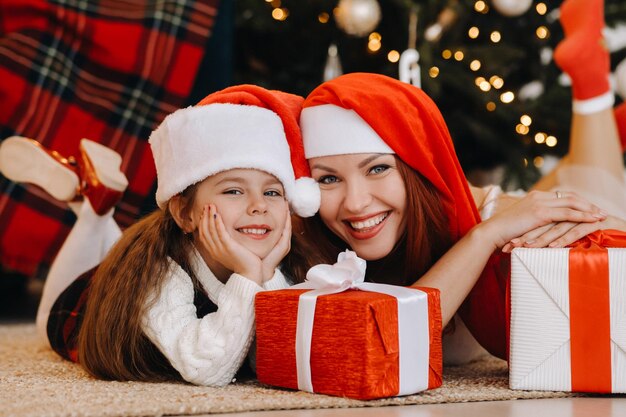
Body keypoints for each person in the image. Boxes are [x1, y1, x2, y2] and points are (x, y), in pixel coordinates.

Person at [294, 0, 626, 362]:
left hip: (525, 209)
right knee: (593, 172)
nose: (355, 203)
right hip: (499, 212)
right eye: (327, 179)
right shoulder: (307, 242)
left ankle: (591, 86)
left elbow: (393, 339)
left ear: (418, 169)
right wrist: (482, 238)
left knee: (596, 188)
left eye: (377, 169)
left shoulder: (514, 239)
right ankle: (606, 115)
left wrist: (485, 235)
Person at [0, 85, 321, 385]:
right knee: (46, 323)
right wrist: (251, 274)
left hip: (136, 274)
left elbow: (282, 353)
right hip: (79, 305)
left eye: (273, 193)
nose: (258, 206)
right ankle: (93, 212)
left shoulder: (285, 264)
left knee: (117, 250)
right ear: (184, 212)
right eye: (234, 190)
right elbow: (206, 368)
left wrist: (267, 277)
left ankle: (92, 200)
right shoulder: (157, 274)